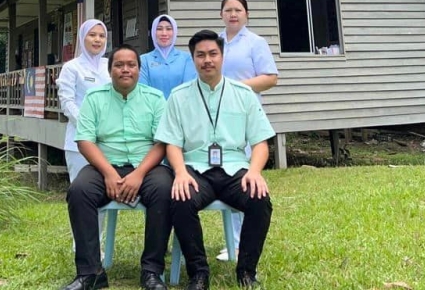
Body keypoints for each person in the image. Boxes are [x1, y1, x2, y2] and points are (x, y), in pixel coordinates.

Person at [156, 30, 275, 290]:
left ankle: (246, 270)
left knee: (260, 202)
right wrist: (180, 172)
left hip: (235, 168)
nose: (207, 60)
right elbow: (172, 144)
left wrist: (254, 172)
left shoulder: (243, 94)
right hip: (195, 168)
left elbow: (260, 144)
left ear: (222, 56)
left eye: (213, 54)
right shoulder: (178, 96)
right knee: (180, 200)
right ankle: (198, 273)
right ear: (193, 59)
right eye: (200, 55)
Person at [60, 44, 174, 290]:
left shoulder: (154, 99)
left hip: (147, 167)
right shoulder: (94, 97)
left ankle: (152, 272)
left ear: (138, 69)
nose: (125, 70)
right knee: (79, 191)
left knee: (165, 190)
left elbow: (162, 142)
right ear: (110, 70)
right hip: (105, 164)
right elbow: (85, 140)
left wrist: (139, 174)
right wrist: (109, 173)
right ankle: (91, 273)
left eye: (131, 65)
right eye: (119, 65)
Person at [217, 0, 279, 260]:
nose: (233, 15)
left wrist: (238, 87)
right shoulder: (216, 42)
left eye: (238, 10)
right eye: (228, 10)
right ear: (221, 14)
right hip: (218, 119)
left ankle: (244, 243)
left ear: (246, 14)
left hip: (246, 116)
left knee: (244, 177)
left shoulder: (256, 43)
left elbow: (270, 77)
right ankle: (231, 241)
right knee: (225, 174)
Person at [58, 19, 112, 254]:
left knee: (102, 194)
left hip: (109, 141)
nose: (97, 40)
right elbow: (67, 102)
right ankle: (81, 245)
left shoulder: (110, 65)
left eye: (101, 35)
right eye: (92, 35)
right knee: (82, 195)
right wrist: (88, 126)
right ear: (82, 38)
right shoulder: (71, 68)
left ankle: (97, 245)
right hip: (79, 141)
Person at [139, 14, 197, 98]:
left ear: (175, 32)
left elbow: (189, 89)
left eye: (169, 29)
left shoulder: (187, 59)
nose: (164, 33)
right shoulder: (143, 60)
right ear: (153, 32)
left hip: (180, 108)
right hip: (152, 109)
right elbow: (143, 90)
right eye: (159, 29)